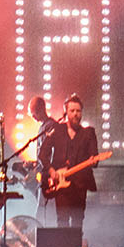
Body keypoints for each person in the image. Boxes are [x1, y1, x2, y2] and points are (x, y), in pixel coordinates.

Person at [38, 94, 99, 229]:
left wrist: (93, 160)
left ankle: (76, 244)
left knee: (77, 221)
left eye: (78, 111)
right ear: (66, 113)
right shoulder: (57, 130)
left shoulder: (88, 133)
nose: (76, 114)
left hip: (79, 185)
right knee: (62, 221)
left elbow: (94, 156)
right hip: (60, 183)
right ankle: (63, 243)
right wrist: (51, 170)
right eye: (72, 111)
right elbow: (42, 154)